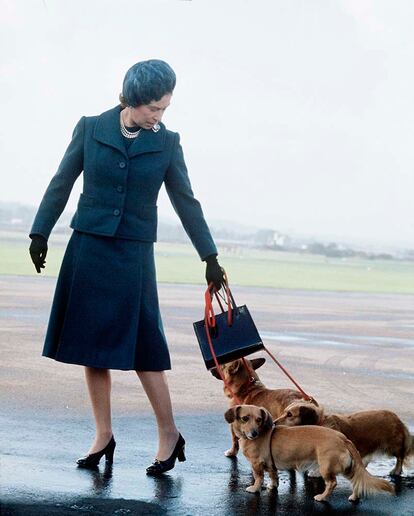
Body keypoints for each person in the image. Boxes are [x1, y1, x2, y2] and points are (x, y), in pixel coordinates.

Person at [29, 59, 224, 476]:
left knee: (145, 349)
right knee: (90, 346)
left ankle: (169, 433)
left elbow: (186, 201)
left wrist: (209, 256)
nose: (159, 116)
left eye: (165, 109)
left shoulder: (168, 143)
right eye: (154, 108)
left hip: (134, 255)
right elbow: (61, 181)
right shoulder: (90, 127)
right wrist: (40, 231)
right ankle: (103, 434)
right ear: (131, 100)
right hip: (89, 247)